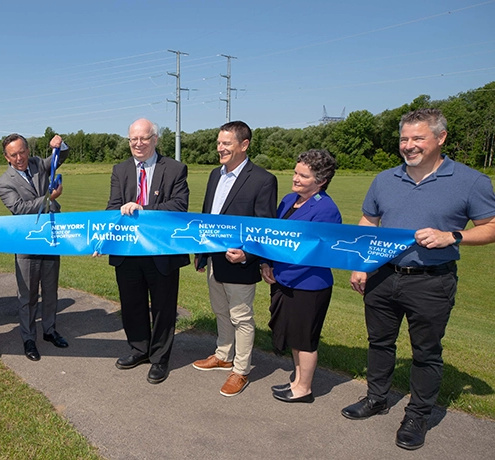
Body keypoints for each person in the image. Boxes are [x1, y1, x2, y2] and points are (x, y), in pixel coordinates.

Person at [341, 108, 495, 450]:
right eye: (404, 138)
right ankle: (376, 398)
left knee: (426, 352)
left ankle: (417, 415)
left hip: (431, 282)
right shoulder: (384, 179)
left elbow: (491, 227)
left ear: (440, 138)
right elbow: (368, 222)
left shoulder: (471, 181)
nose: (408, 145)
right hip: (382, 277)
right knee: (379, 343)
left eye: (417, 138)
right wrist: (361, 264)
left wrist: (452, 236)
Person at [192, 121, 277, 397]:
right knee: (220, 310)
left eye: (226, 143)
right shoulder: (215, 175)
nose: (220, 148)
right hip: (215, 260)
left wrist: (249, 254)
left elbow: (266, 227)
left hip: (241, 262)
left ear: (244, 145)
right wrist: (202, 252)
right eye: (219, 143)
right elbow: (208, 215)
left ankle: (241, 370)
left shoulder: (263, 180)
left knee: (241, 317)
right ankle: (223, 354)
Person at [106, 118, 189, 384]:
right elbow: (111, 208)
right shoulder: (120, 170)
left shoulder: (175, 169)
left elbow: (179, 206)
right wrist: (118, 213)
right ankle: (139, 349)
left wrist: (145, 211)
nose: (138, 144)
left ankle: (160, 358)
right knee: (132, 305)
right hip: (128, 252)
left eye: (143, 138)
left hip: (161, 252)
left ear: (155, 139)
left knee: (164, 308)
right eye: (133, 139)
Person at [260, 149, 342, 404]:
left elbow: (317, 253)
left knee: (305, 339)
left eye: (303, 176)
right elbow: (271, 235)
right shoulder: (287, 200)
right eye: (296, 172)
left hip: (308, 285)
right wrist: (266, 263)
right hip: (283, 280)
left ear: (321, 181)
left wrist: (281, 271)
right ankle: (296, 380)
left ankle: (304, 388)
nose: (295, 178)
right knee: (294, 335)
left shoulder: (327, 210)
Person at [0, 133, 70, 361]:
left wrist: (59, 144)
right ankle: (28, 338)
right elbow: (20, 208)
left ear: (28, 150)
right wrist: (49, 197)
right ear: (6, 157)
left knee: (50, 290)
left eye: (22, 152)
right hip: (26, 243)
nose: (20, 158)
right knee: (27, 296)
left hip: (49, 239)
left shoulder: (38, 163)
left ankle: (49, 331)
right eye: (14, 155)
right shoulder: (3, 182)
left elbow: (61, 156)